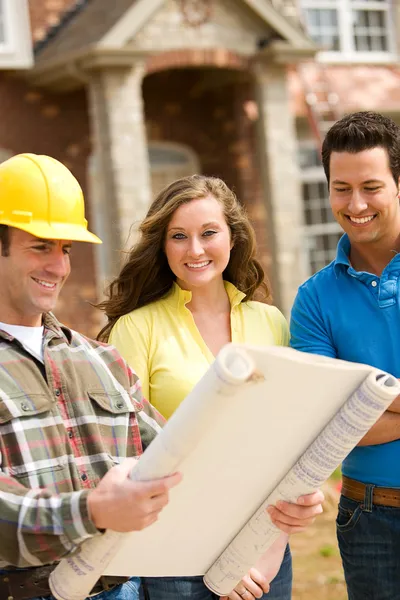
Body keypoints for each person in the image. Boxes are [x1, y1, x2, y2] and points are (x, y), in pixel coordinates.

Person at [98, 175, 325, 600]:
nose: (195, 250)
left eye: (208, 233)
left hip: (265, 552)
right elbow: (133, 461)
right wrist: (221, 562)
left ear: (233, 237)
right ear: (162, 246)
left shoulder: (270, 321)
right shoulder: (135, 330)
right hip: (176, 558)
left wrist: (266, 549)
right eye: (179, 236)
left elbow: (286, 441)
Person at [0, 153, 182, 600]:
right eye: (41, 246)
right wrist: (95, 509)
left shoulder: (103, 361)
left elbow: (180, 456)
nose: (59, 268)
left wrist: (268, 496)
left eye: (65, 250)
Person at [290, 111, 400, 600]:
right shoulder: (314, 299)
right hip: (368, 516)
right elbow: (326, 428)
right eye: (341, 187)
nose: (355, 204)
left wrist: (372, 403)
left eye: (371, 186)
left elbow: (352, 416)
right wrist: (346, 416)